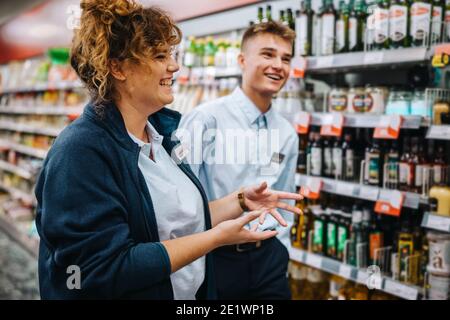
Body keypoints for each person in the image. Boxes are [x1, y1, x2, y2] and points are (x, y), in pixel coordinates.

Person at [34, 0, 303, 300]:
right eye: (160, 56)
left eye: (171, 55)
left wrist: (240, 201)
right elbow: (98, 270)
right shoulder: (80, 151)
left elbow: (180, 220)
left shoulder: (161, 137)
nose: (174, 66)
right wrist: (214, 240)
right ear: (117, 67)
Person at [178, 21, 299, 299]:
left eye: (286, 58)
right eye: (268, 54)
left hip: (269, 259)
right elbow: (179, 206)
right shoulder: (205, 120)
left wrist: (282, 251)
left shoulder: (286, 133)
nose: (278, 65)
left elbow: (284, 198)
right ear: (242, 60)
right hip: (216, 257)